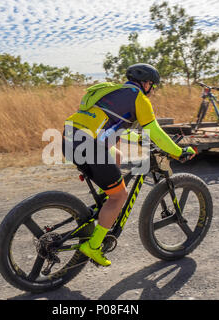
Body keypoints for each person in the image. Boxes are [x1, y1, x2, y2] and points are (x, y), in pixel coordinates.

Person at [62, 63, 196, 266]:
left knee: (115, 156)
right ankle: (93, 245)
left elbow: (114, 129)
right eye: (152, 85)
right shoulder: (139, 98)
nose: (152, 89)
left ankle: (104, 204)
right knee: (120, 196)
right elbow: (156, 132)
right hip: (89, 145)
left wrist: (141, 140)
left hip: (68, 137)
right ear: (147, 83)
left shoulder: (113, 91)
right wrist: (178, 152)